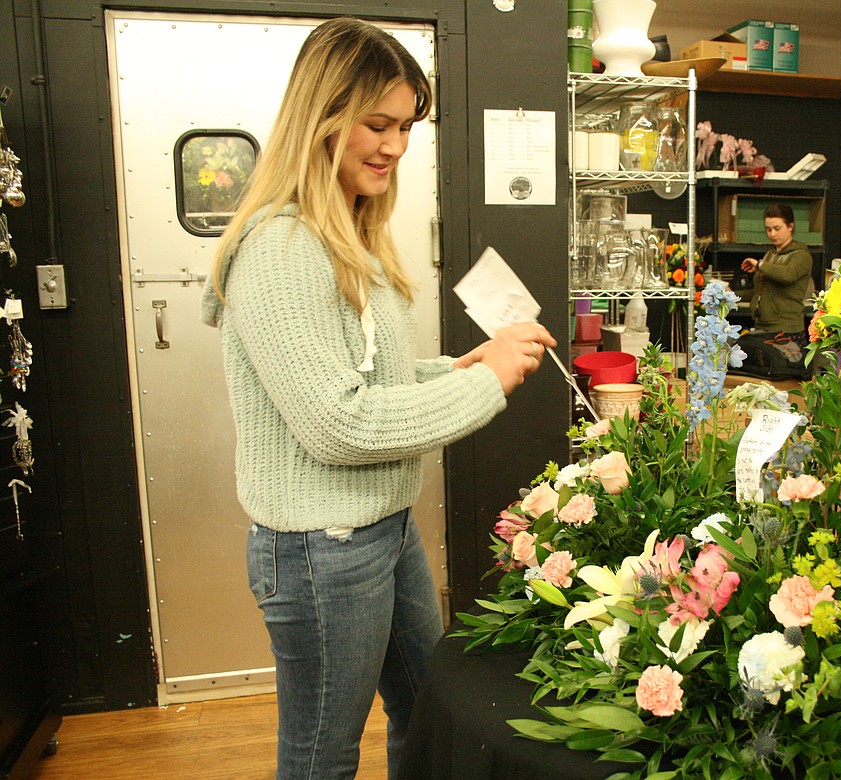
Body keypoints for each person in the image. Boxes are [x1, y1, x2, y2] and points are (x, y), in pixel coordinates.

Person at [200, 18, 555, 780]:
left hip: (380, 532)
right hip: (322, 550)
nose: (395, 146)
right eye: (378, 124)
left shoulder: (342, 237)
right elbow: (339, 424)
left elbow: (370, 386)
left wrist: (462, 367)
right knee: (322, 756)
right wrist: (484, 383)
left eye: (405, 128)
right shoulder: (280, 249)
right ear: (321, 117)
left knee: (427, 706)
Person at [739, 202, 815, 333]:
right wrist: (730, 294)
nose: (772, 234)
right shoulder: (770, 254)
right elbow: (761, 292)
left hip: (787, 329)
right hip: (763, 326)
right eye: (768, 229)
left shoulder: (802, 255)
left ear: (790, 226)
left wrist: (760, 265)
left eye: (777, 228)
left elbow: (787, 275)